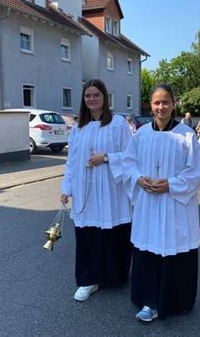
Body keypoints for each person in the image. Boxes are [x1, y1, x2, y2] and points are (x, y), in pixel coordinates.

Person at [122, 83, 200, 322]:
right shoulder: (141, 134)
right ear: (151, 105)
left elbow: (195, 171)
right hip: (148, 202)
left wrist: (170, 184)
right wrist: (138, 178)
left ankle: (176, 300)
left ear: (173, 104)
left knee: (172, 245)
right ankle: (148, 300)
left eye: (165, 102)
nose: (161, 107)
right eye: (157, 102)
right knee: (149, 246)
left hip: (175, 204)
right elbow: (128, 163)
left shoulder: (186, 135)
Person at [60, 79, 133, 301]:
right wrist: (67, 188)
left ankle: (114, 276)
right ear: (84, 100)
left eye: (96, 95)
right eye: (88, 96)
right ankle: (88, 280)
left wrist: (107, 158)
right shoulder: (78, 128)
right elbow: (71, 161)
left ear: (104, 97)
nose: (92, 99)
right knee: (88, 236)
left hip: (111, 190)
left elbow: (131, 156)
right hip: (85, 190)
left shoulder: (118, 124)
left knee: (111, 234)